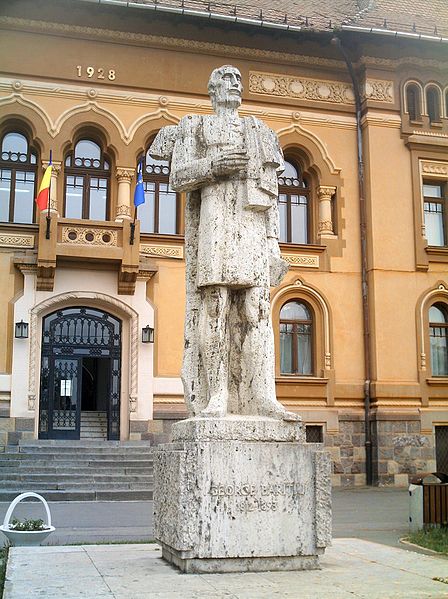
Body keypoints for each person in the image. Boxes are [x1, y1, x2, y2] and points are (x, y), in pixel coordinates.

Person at [150, 65, 299, 421]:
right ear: (212, 88)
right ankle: (216, 395)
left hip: (251, 228)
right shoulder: (196, 127)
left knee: (256, 312)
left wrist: (273, 244)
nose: (234, 84)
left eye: (238, 80)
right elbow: (178, 176)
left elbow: (272, 192)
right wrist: (214, 165)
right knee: (214, 307)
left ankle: (263, 397)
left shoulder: (258, 130)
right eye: (226, 79)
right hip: (215, 225)